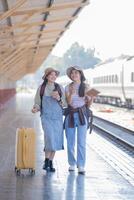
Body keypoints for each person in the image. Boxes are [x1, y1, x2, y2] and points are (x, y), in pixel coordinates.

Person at [32, 67, 65, 172]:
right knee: (49, 137)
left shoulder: (59, 87)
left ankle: (49, 162)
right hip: (46, 117)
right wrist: (35, 108)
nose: (53, 76)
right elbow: (37, 102)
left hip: (58, 118)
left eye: (55, 75)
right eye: (51, 74)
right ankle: (47, 160)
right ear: (46, 76)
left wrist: (59, 98)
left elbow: (65, 103)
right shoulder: (41, 88)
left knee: (55, 139)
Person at [64, 66, 93, 175]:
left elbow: (89, 105)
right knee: (70, 141)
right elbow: (68, 102)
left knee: (81, 142)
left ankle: (81, 165)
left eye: (76, 73)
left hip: (82, 115)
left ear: (80, 74)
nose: (74, 75)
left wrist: (90, 98)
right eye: (72, 73)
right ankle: (72, 163)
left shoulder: (87, 87)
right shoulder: (67, 87)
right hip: (70, 115)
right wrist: (71, 93)